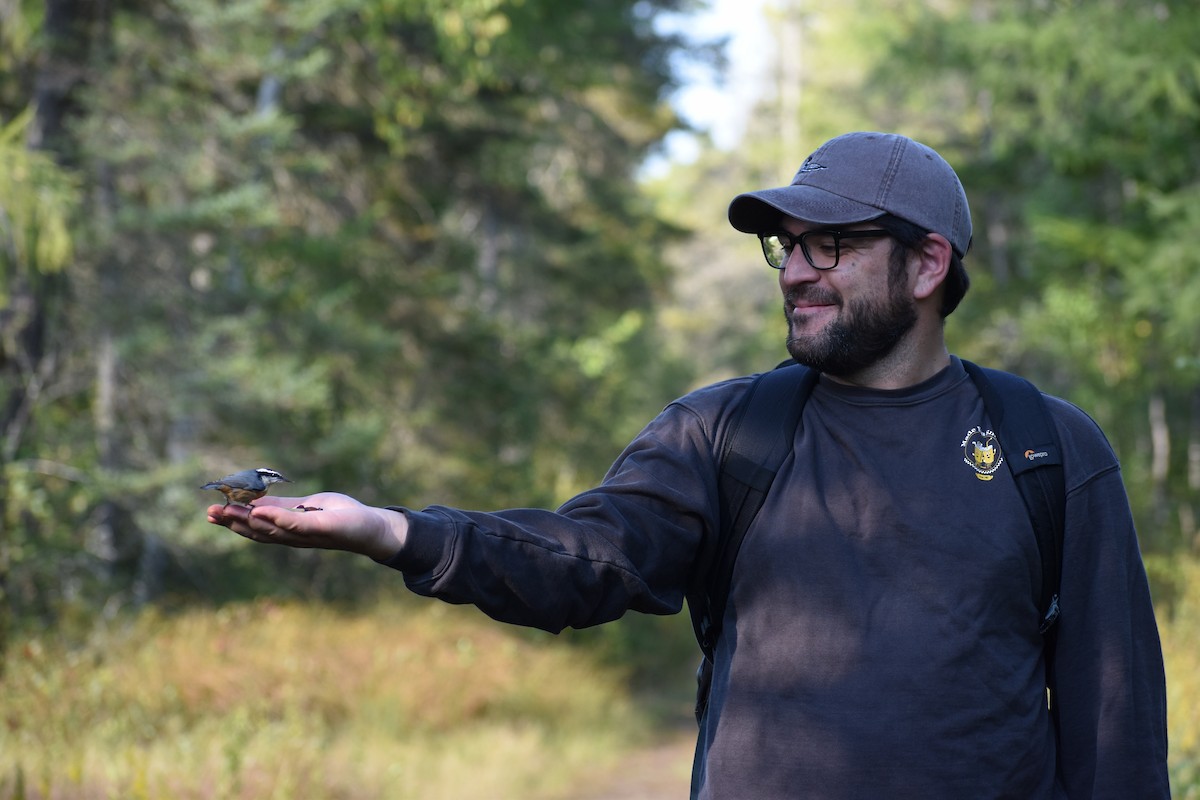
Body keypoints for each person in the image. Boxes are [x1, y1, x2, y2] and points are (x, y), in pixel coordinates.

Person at [208, 131, 1170, 798]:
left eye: (830, 245)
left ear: (926, 267)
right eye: (788, 247)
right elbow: (589, 559)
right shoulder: (729, 431)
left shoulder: (1048, 447)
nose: (796, 271)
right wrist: (396, 532)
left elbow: (1113, 721)